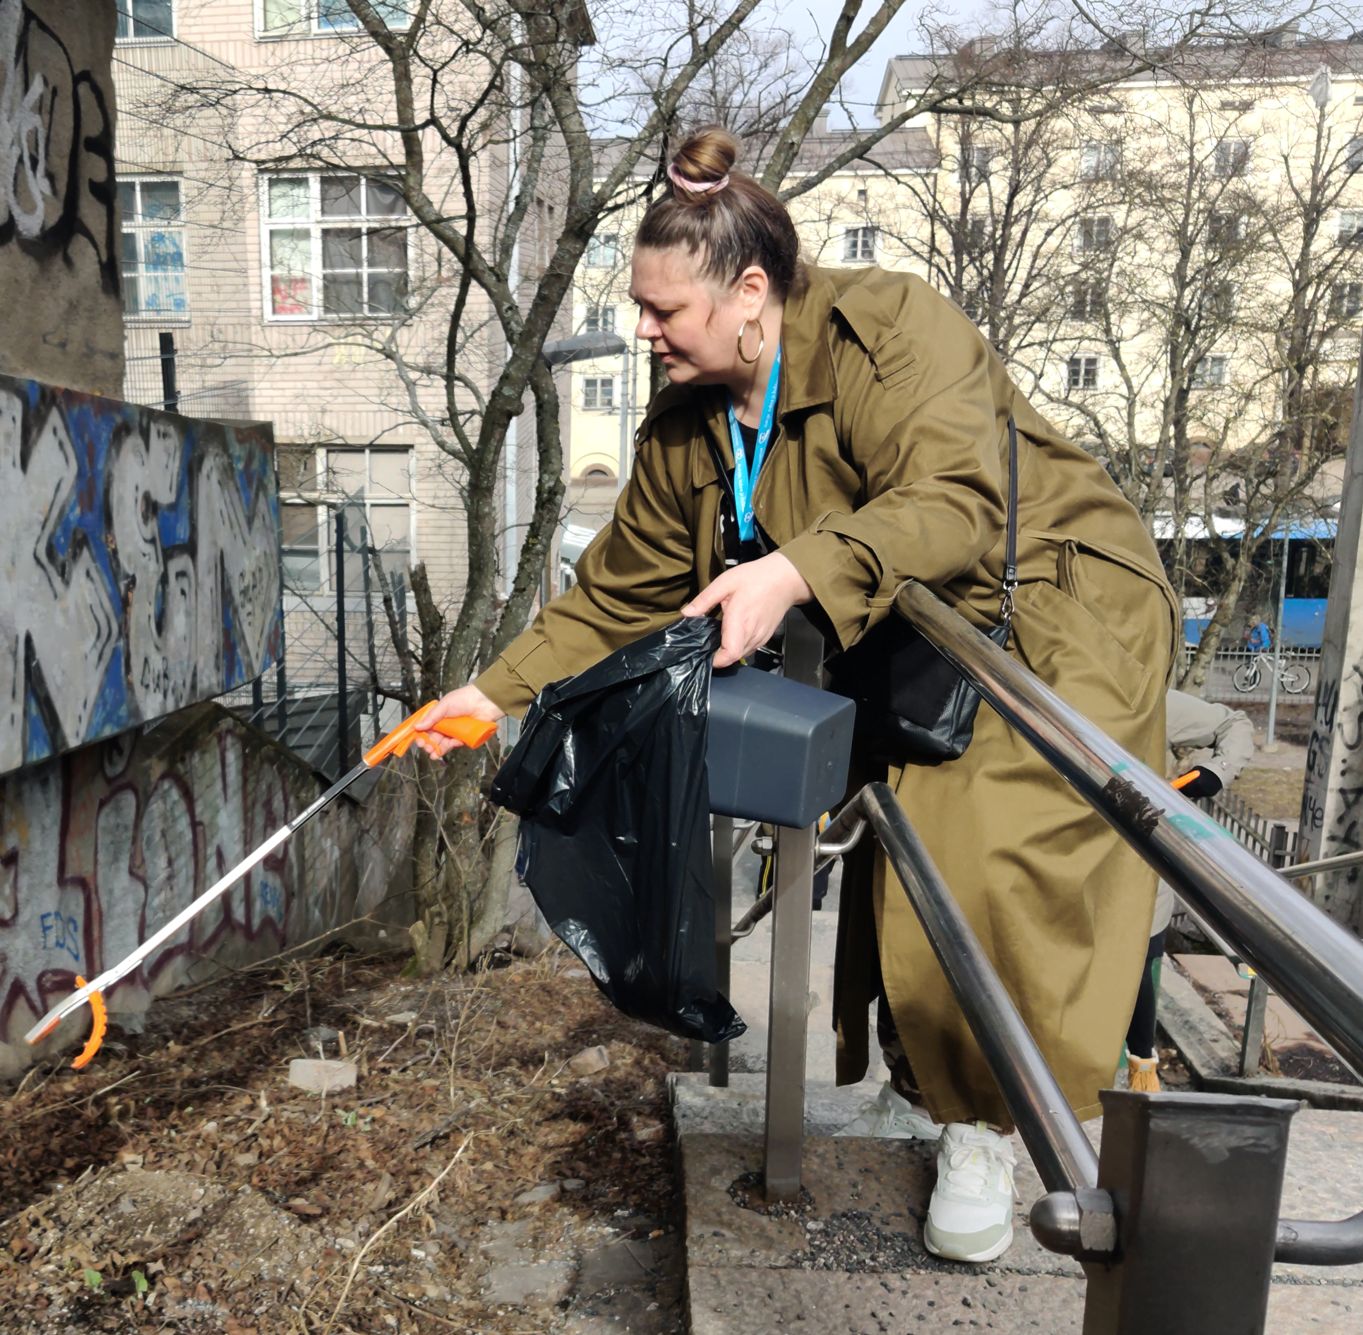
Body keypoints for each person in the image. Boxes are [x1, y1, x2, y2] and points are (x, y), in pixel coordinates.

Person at [415, 126, 1177, 1264]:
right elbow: (618, 592)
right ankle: (934, 1085)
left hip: (1055, 608)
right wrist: (486, 692)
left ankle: (982, 1126)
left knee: (985, 855)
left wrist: (792, 569)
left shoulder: (893, 332)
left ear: (751, 294)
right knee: (898, 842)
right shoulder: (690, 427)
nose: (645, 330)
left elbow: (955, 505)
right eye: (641, 305)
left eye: (665, 310)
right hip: (913, 632)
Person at [1127, 692, 1255, 1091]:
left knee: (1136, 972)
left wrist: (1216, 771)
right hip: (1062, 868)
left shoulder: (1147, 698)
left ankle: (1141, 1070)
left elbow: (1234, 723)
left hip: (1136, 866)